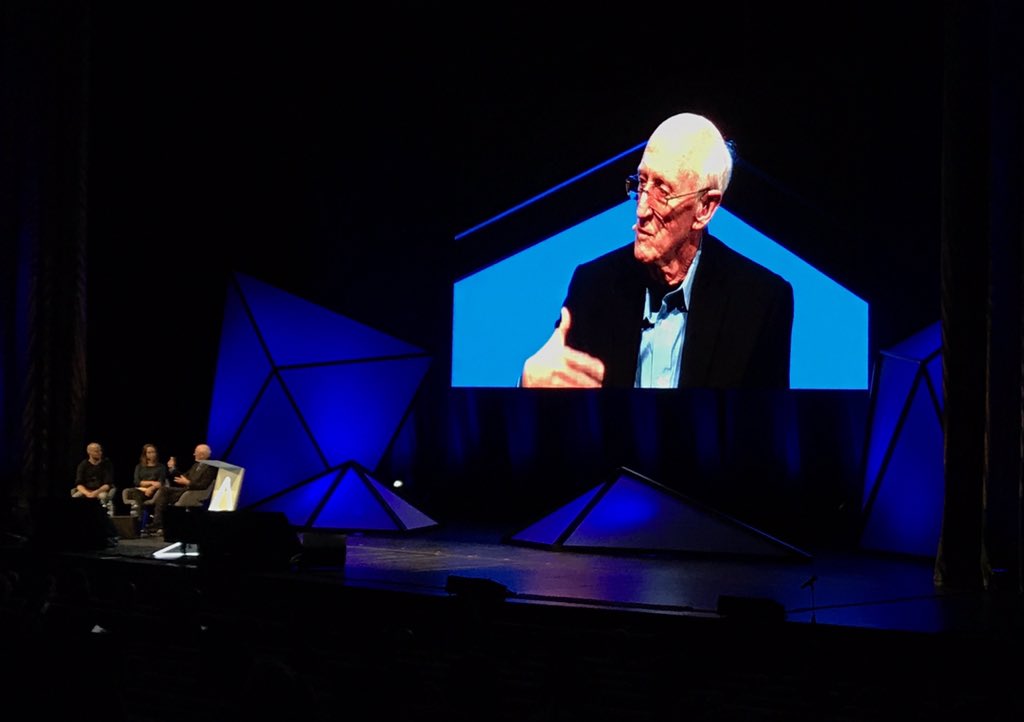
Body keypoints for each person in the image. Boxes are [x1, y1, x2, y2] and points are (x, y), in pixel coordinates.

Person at [521, 112, 793, 389]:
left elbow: (768, 417)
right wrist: (529, 388)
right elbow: (555, 405)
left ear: (704, 208)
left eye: (663, 191)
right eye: (641, 183)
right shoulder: (593, 288)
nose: (641, 210)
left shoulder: (759, 302)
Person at [147, 443, 217, 537]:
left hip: (193, 493)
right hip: (185, 490)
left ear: (202, 455)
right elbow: (184, 476)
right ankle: (159, 523)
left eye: (195, 452)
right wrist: (173, 469)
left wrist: (188, 483)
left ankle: (158, 524)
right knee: (164, 491)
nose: (193, 454)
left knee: (163, 497)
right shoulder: (196, 465)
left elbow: (203, 485)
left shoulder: (210, 468)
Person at [122, 443, 168, 520]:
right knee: (135, 493)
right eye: (149, 452)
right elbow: (137, 482)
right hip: (140, 490)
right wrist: (152, 483)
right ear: (145, 454)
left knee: (136, 495)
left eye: (153, 452)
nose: (152, 454)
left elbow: (160, 483)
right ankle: (140, 517)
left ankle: (139, 518)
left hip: (153, 492)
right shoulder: (139, 467)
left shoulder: (161, 467)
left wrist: (151, 488)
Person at [71, 442, 116, 510]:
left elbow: (107, 484)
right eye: (96, 451)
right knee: (75, 497)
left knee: (102, 496)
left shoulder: (106, 464)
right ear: (89, 452)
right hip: (86, 490)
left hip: (101, 491)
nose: (100, 453)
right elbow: (79, 484)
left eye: (100, 451)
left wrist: (95, 492)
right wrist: (87, 493)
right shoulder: (83, 465)